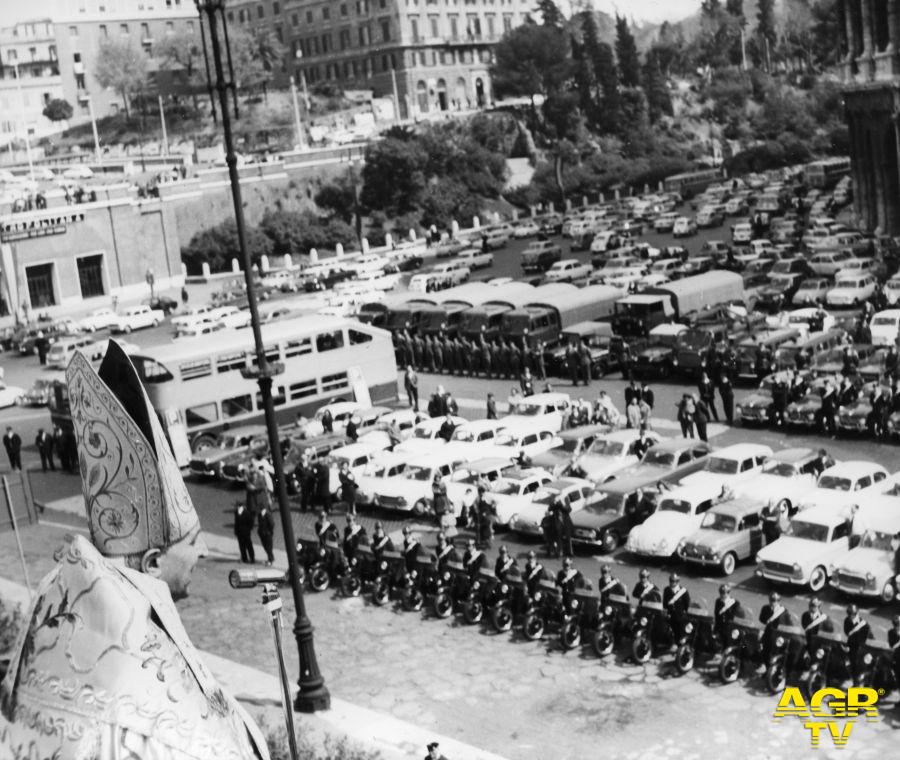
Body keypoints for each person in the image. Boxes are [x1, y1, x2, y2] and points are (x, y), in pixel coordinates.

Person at [0, 341, 269, 760]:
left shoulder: (58, 599)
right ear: (153, 563)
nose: (203, 554)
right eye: (192, 543)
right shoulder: (146, 700)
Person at [758, 591, 787, 665]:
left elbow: (788, 624)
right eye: (772, 600)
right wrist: (768, 621)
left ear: (779, 601)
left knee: (776, 651)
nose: (774, 602)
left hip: (778, 635)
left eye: (776, 600)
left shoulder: (784, 611)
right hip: (768, 633)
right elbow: (761, 618)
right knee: (765, 651)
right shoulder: (765, 608)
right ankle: (764, 667)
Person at [844, 604, 871, 681]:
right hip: (850, 645)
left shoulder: (865, 625)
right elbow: (846, 632)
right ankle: (848, 677)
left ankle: (856, 680)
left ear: (857, 613)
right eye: (849, 613)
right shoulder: (847, 620)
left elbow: (867, 637)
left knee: (858, 664)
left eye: (853, 614)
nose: (851, 616)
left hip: (860, 647)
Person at [663, 573, 691, 639]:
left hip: (679, 617)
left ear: (677, 582)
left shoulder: (684, 592)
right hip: (670, 616)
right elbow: (665, 604)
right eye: (670, 581)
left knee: (679, 634)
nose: (671, 583)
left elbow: (687, 606)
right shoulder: (667, 590)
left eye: (673, 581)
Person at [713, 583, 740, 648]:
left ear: (728, 593)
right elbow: (716, 614)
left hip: (729, 627)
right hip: (720, 626)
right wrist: (715, 628)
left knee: (727, 644)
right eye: (721, 593)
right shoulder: (718, 601)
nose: (722, 595)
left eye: (723, 593)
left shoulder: (735, 602)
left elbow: (735, 616)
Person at [256, 492, 276, 566]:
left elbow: (272, 524)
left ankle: (271, 559)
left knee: (269, 547)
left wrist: (269, 531)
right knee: (265, 546)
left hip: (267, 534)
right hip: (262, 533)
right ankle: (270, 558)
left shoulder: (267, 515)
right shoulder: (260, 515)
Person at [432, 473, 454, 537]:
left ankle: (446, 530)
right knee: (439, 516)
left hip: (443, 501)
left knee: (445, 516)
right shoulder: (434, 484)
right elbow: (434, 491)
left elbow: (444, 491)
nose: (437, 478)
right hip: (437, 502)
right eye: (436, 477)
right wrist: (438, 491)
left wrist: (440, 491)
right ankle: (442, 529)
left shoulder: (442, 483)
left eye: (438, 477)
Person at [234, 500, 256, 564]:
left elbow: (251, 522)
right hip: (239, 532)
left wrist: (248, 529)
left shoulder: (246, 513)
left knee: (249, 545)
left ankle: (252, 558)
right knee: (242, 546)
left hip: (246, 532)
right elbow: (236, 523)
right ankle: (244, 558)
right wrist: (236, 531)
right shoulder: (236, 512)